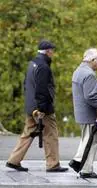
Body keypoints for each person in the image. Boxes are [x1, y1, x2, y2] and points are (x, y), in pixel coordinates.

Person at [6, 40, 69, 172]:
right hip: (42, 109)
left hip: (31, 106)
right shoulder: (44, 67)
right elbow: (42, 89)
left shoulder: (32, 63)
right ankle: (53, 164)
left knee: (27, 133)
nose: (53, 53)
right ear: (48, 51)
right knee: (51, 134)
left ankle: (14, 160)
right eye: (52, 50)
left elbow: (26, 85)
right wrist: (42, 109)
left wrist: (32, 106)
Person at [69, 48, 97, 179]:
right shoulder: (89, 74)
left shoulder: (78, 71)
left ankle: (81, 163)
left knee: (86, 139)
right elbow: (90, 96)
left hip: (81, 113)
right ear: (92, 60)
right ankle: (84, 167)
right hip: (90, 114)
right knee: (92, 141)